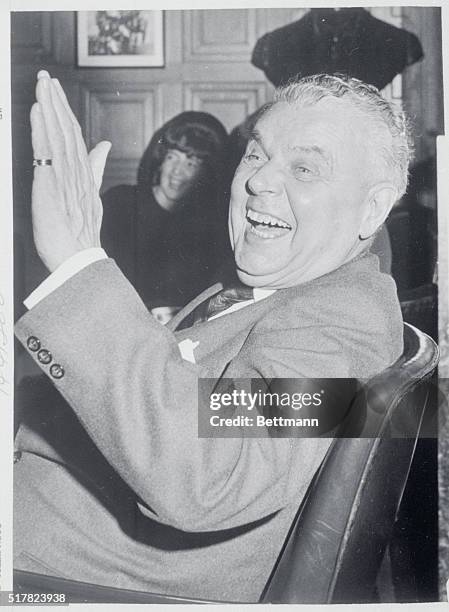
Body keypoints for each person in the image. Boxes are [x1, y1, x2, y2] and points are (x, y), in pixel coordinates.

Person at [14, 71, 408, 602]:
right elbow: (172, 402)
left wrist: (75, 265)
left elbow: (211, 475)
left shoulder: (344, 323)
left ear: (373, 209)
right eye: (256, 155)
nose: (260, 181)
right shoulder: (276, 289)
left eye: (305, 168)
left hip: (63, 572)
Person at [100, 111, 229, 311]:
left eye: (191, 164)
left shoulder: (206, 227)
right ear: (160, 160)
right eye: (172, 158)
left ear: (206, 173)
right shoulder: (119, 203)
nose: (178, 171)